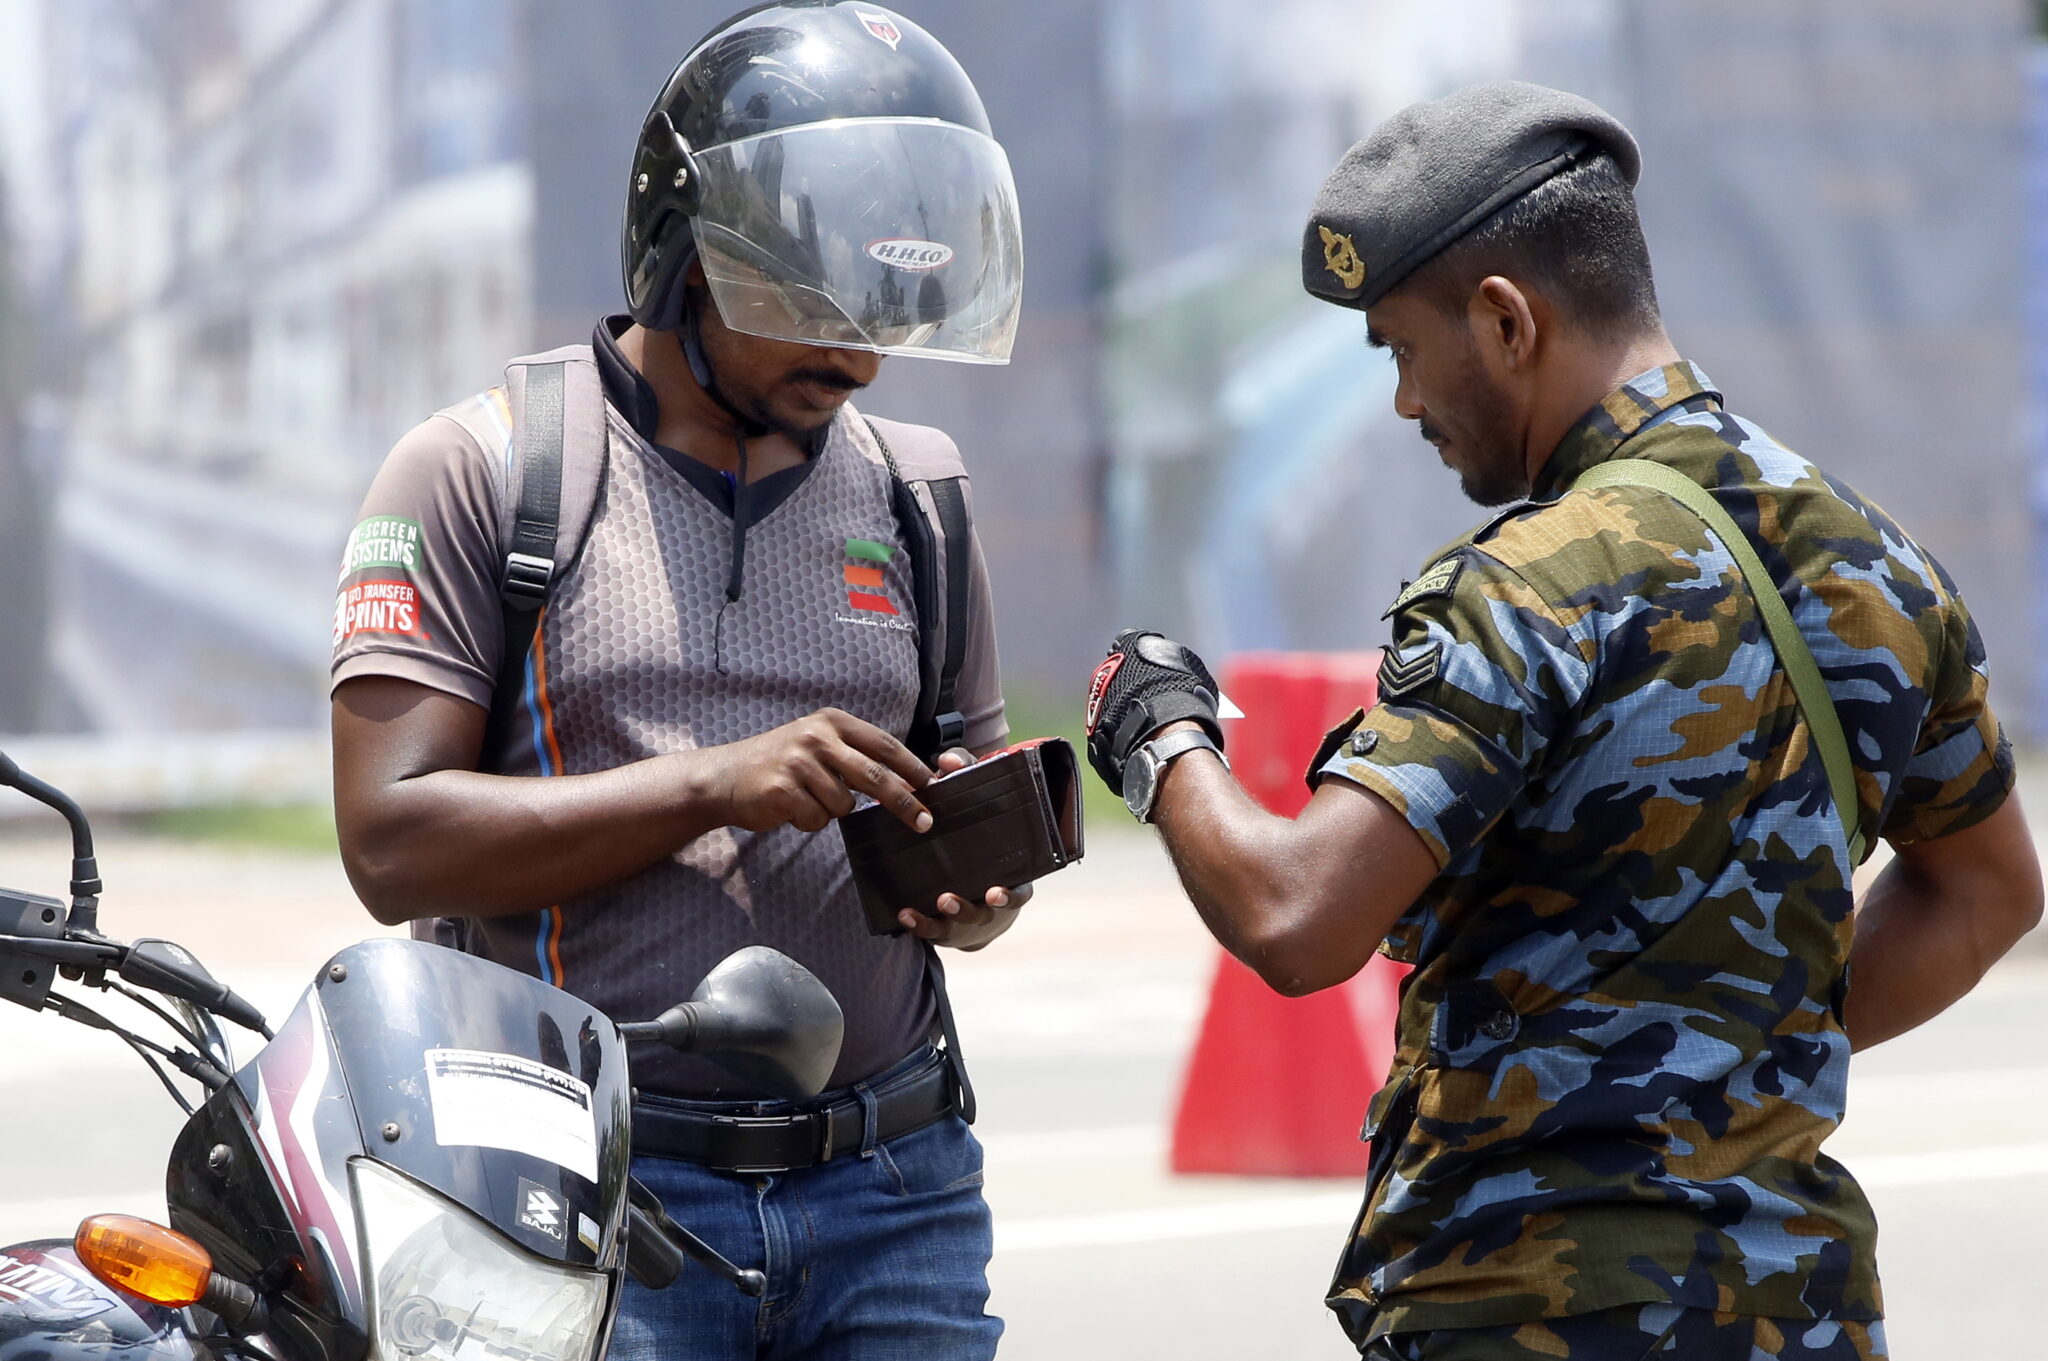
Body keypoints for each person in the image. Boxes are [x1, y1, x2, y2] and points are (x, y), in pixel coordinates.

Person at [1082, 82, 2042, 1360]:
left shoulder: (1533, 583)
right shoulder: (1878, 564)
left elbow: (1295, 915)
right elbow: (1986, 893)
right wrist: (1733, 1054)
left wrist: (1157, 733)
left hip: (1538, 1308)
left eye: (1400, 349)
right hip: (1796, 1308)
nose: (1402, 401)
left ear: (1503, 320)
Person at [330, 5, 1025, 1358]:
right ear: (684, 262)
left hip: (897, 1195)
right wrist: (718, 784)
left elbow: (964, 824)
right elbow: (390, 845)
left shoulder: (919, 493)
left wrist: (971, 883)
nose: (856, 359)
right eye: (806, 308)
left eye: (880, 317)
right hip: (585, 1194)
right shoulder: (484, 473)